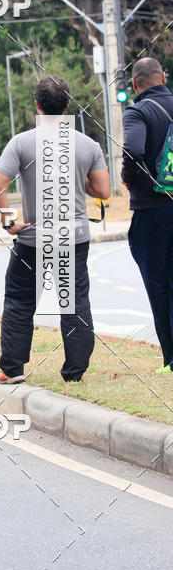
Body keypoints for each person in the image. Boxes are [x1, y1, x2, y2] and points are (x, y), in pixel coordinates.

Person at [0, 77, 110, 384]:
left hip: (32, 237)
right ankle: (74, 373)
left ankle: (12, 369)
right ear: (68, 104)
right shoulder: (88, 145)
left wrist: (8, 221)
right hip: (75, 237)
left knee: (19, 300)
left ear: (37, 104)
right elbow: (104, 191)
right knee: (74, 302)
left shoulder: (21, 142)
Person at [122, 57, 173, 372]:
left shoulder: (137, 111)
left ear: (135, 85)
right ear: (163, 77)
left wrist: (132, 180)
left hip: (153, 210)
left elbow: (133, 149)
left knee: (158, 284)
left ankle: (170, 357)